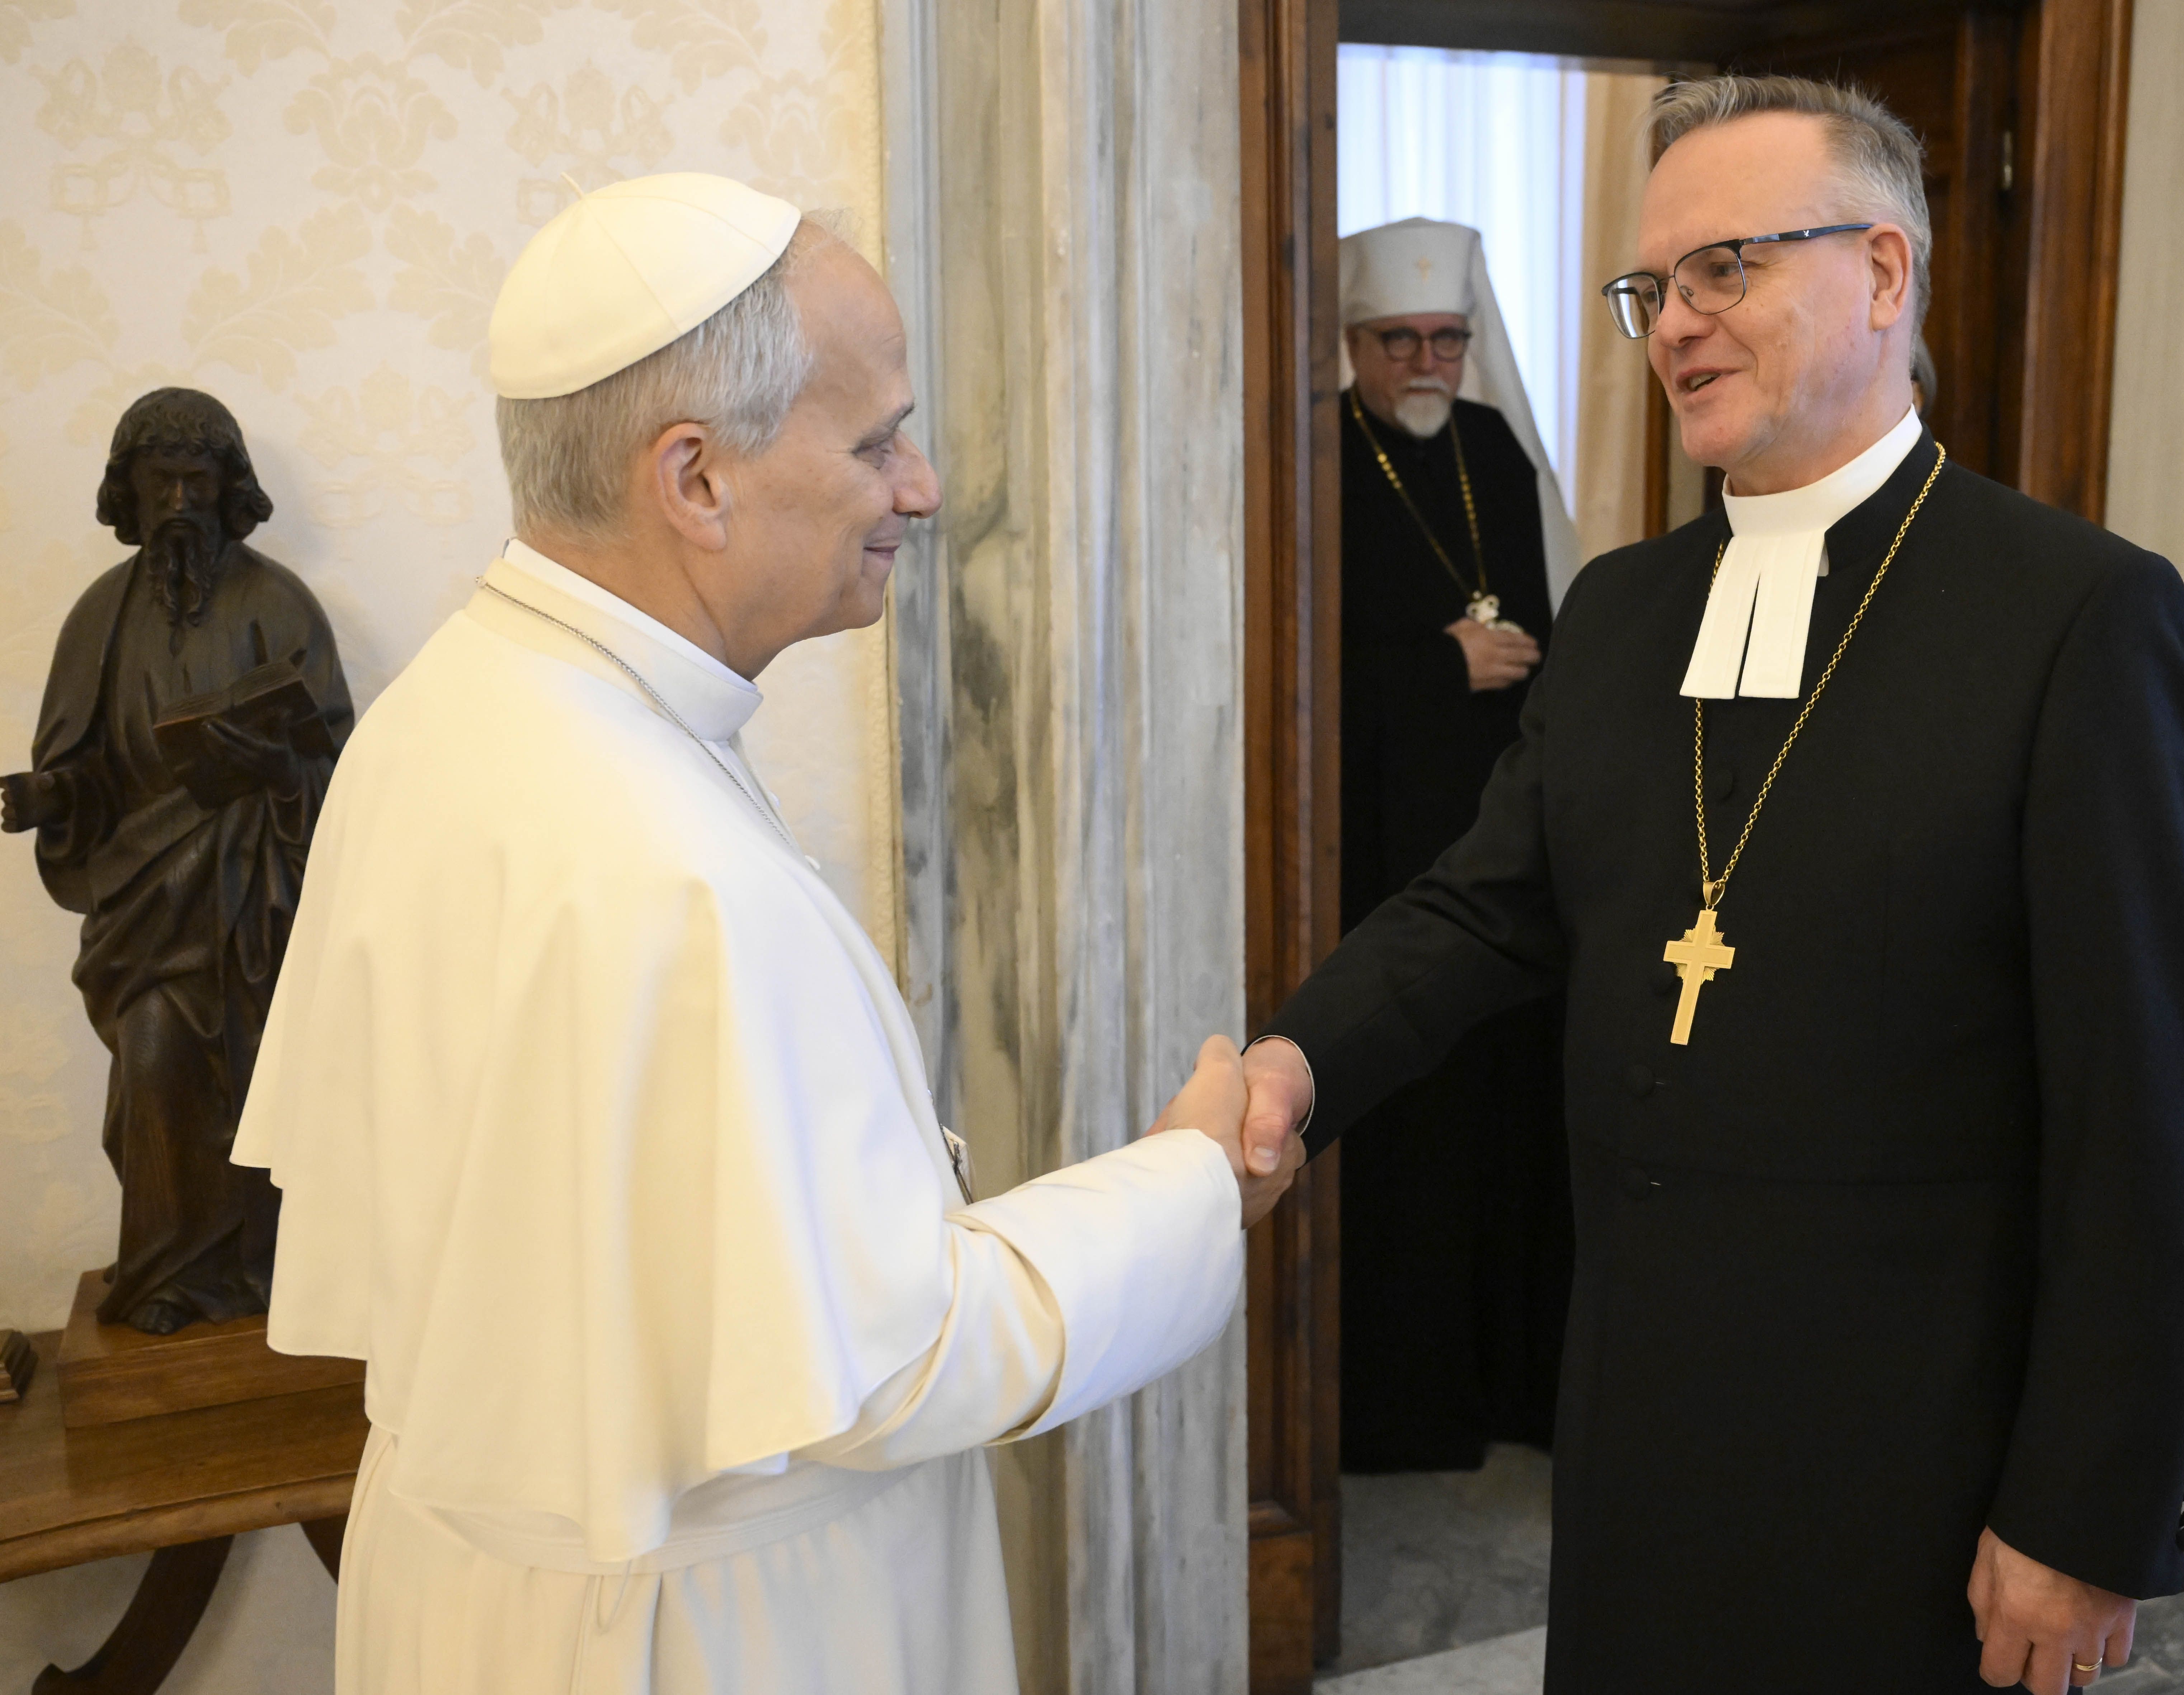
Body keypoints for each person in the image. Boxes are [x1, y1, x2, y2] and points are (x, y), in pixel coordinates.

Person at [232, 174, 1303, 1695]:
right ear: (697, 479)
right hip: (713, 1637)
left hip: (482, 1598)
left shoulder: (450, 713)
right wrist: (1196, 1179)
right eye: (875, 441)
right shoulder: (660, 865)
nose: (920, 489)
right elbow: (893, 1359)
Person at [1239, 77, 2184, 1694]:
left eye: (1727, 271)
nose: (1674, 327)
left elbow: (2155, 1111)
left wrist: (2088, 1512)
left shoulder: (2076, 618)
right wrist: (1294, 1061)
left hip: (1919, 1465)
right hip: (1634, 1438)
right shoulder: (1630, 609)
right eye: (1652, 290)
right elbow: (1485, 904)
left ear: (1884, 276)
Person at [2, 389, 352, 1334]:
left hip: (257, 909)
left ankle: (270, 1276)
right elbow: (78, 769)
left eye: (199, 483)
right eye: (163, 485)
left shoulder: (280, 605)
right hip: (147, 914)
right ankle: (164, 1279)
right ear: (131, 493)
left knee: (266, 1087)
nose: (181, 504)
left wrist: (277, 769)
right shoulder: (99, 619)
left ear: (230, 489)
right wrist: (45, 796)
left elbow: (339, 769)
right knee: (154, 1060)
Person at [1332, 220, 1571, 1470]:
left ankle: (1506, 1390)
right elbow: (1299, 673)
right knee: (1407, 1139)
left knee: (1504, 1129)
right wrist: (1444, 665)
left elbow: (1538, 628)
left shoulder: (1491, 448)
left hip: (1500, 838)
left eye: (1447, 340)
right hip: (1374, 855)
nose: (1427, 362)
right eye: (1400, 341)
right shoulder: (1322, 451)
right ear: (1356, 345)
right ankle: (1399, 1412)